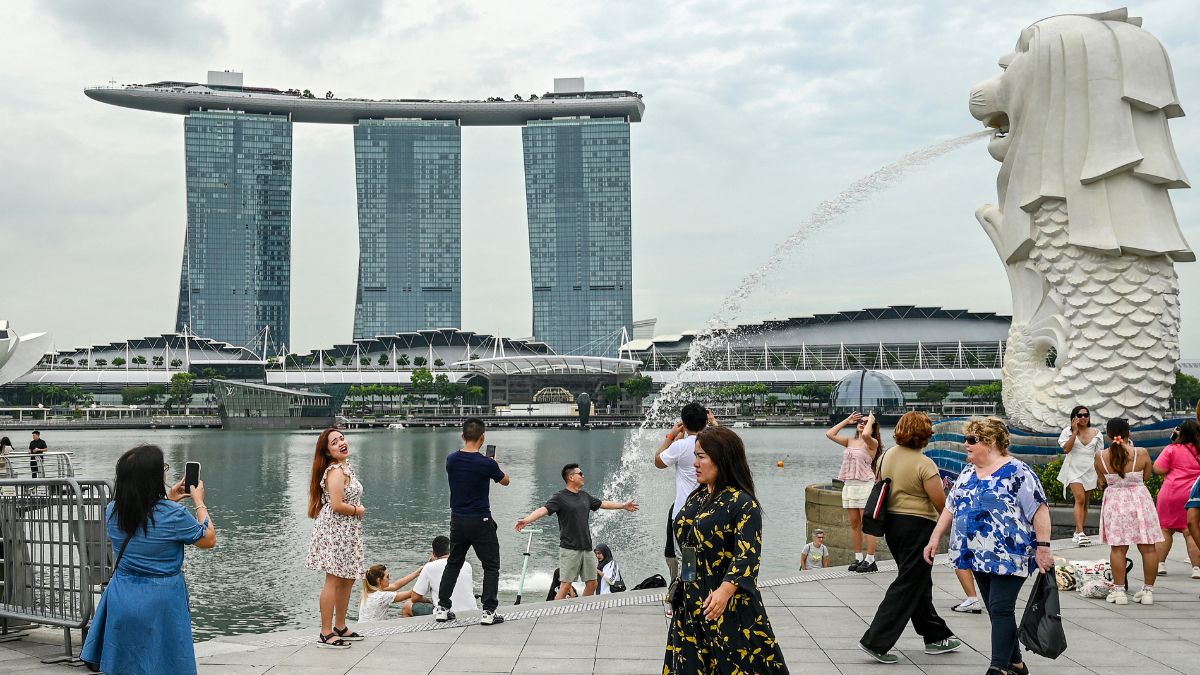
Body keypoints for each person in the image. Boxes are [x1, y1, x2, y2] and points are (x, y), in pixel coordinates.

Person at [925, 417, 1051, 675]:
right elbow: (951, 506)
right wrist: (935, 537)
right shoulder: (968, 472)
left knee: (1001, 608)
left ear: (991, 442)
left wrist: (1044, 548)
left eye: (972, 440)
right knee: (997, 610)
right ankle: (1015, 663)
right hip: (975, 554)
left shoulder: (1018, 471)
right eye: (966, 439)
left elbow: (1039, 510)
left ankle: (997, 668)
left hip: (1009, 555)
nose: (966, 445)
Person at [80, 445, 216, 674]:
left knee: (126, 663)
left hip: (122, 597)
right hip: (162, 601)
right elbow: (208, 539)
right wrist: (199, 501)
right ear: (153, 478)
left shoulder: (113, 510)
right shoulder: (174, 515)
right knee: (165, 662)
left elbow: (147, 521)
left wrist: (170, 498)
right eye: (163, 468)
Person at [663, 426, 787, 674]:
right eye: (695, 456)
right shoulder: (696, 497)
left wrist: (725, 590)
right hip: (691, 598)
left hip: (725, 602)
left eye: (701, 457)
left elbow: (748, 555)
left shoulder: (742, 503)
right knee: (692, 664)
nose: (695, 463)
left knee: (735, 663)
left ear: (722, 459)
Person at [859, 411, 961, 665]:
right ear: (924, 435)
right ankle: (876, 640)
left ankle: (935, 636)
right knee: (908, 582)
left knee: (918, 581)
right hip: (918, 527)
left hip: (892, 526)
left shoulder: (885, 457)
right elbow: (941, 503)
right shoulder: (924, 464)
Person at [515, 463, 638, 598]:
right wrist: (527, 520)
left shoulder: (585, 496)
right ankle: (554, 614)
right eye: (581, 474)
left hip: (586, 548)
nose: (583, 476)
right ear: (571, 477)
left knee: (592, 583)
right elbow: (543, 510)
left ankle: (582, 610)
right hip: (569, 548)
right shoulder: (560, 497)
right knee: (566, 585)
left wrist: (623, 506)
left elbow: (603, 504)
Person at [435, 418, 510, 625]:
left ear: (462, 435)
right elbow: (505, 481)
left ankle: (442, 607)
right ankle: (488, 612)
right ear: (483, 438)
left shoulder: (451, 459)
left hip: (458, 520)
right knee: (491, 565)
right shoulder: (486, 463)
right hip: (481, 520)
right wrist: (494, 464)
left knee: (453, 563)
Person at [304, 428, 366, 648]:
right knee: (333, 579)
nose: (341, 443)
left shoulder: (346, 468)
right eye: (334, 442)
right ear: (328, 452)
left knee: (348, 578)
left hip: (348, 531)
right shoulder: (335, 471)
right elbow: (337, 505)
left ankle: (340, 625)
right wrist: (358, 510)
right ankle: (326, 631)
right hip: (335, 530)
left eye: (342, 438)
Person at [1095, 417, 1162, 605]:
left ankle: (1119, 591)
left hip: (1115, 502)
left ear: (1108, 435)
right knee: (1148, 548)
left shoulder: (1100, 456)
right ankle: (1148, 591)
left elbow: (1101, 480)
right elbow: (1147, 476)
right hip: (1140, 501)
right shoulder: (1141, 453)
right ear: (1128, 433)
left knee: (1118, 548)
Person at [654, 402, 712, 580]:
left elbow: (658, 461)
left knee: (685, 561)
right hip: (709, 510)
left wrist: (670, 435)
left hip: (683, 514)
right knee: (708, 558)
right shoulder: (713, 444)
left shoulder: (679, 446)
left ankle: (685, 600)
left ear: (684, 425)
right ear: (705, 423)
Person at [826, 411, 882, 572]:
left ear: (871, 426)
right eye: (860, 421)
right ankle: (858, 557)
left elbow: (865, 435)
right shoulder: (850, 441)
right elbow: (829, 433)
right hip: (849, 485)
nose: (862, 423)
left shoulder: (871, 442)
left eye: (866, 421)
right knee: (854, 524)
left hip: (865, 485)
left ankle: (870, 559)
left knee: (867, 524)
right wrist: (847, 420)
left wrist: (871, 420)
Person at [1153, 420, 1200, 578]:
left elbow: (1158, 469)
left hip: (1171, 493)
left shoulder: (1172, 449)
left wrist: (1174, 441)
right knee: (1191, 531)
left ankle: (1160, 564)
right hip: (1194, 494)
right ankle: (1196, 568)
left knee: (1165, 529)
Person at [1058, 405, 1101, 546]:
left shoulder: (1096, 432)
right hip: (1073, 469)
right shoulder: (1067, 432)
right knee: (1080, 499)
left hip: (1090, 469)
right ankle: (1081, 533)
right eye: (1080, 415)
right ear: (1074, 417)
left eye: (1086, 415)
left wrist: (1101, 475)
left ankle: (1078, 531)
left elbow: (1099, 455)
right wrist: (1074, 432)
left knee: (1086, 502)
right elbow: (1066, 449)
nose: (1083, 418)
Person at [404, 535, 478, 617]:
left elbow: (415, 597)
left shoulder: (429, 567)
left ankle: (417, 629)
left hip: (445, 612)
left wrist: (428, 601)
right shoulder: (466, 565)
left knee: (407, 606)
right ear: (450, 551)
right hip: (472, 611)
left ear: (433, 553)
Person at [357, 563, 422, 623]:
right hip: (372, 632)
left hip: (363, 628)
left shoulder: (370, 590)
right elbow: (411, 593)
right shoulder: (381, 596)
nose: (389, 578)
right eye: (387, 577)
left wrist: (417, 573)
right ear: (379, 580)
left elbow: (395, 585)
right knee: (409, 603)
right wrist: (425, 577)